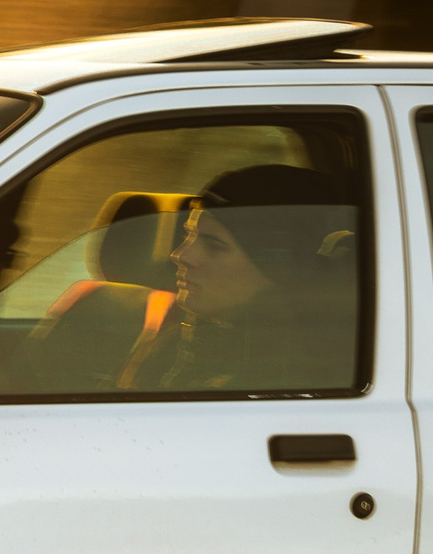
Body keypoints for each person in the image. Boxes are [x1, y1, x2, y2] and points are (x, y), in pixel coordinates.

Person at [111, 163, 358, 392]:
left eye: (214, 245)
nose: (180, 255)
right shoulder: (190, 336)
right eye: (188, 234)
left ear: (279, 268)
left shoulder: (288, 375)